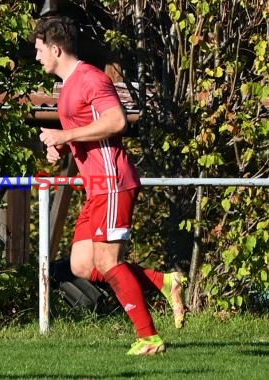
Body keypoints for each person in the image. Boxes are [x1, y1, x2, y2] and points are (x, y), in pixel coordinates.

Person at [33, 16, 186, 355]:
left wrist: (65, 134)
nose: (37, 56)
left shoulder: (91, 78)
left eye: (40, 50)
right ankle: (164, 281)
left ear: (56, 49)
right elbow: (86, 132)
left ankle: (149, 337)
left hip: (113, 182)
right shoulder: (67, 87)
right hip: (97, 187)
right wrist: (61, 145)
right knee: (82, 265)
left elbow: (116, 120)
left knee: (106, 260)